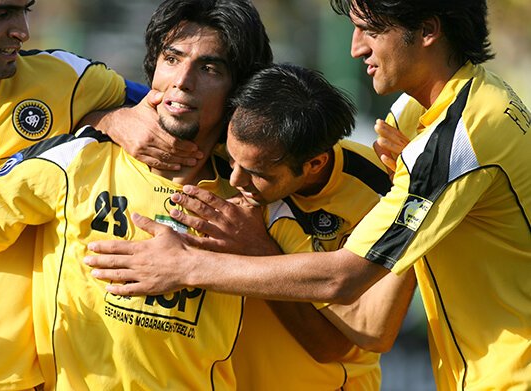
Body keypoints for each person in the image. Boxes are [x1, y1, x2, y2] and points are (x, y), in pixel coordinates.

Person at [85, 0, 531, 389]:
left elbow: (349, 287)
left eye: (371, 30)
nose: (356, 48)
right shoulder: (418, 116)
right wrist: (113, 117)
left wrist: (189, 265)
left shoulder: (459, 135)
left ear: (429, 31)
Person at [0, 0, 273, 388]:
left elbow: (179, 108)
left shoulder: (65, 78)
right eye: (1, 13)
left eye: (26, 9)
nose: (22, 29)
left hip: (28, 380)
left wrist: (112, 118)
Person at [159, 63, 415, 390]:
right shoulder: (222, 146)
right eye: (232, 160)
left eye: (258, 173)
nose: (235, 179)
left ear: (314, 164)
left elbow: (348, 339)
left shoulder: (383, 194)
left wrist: (258, 251)